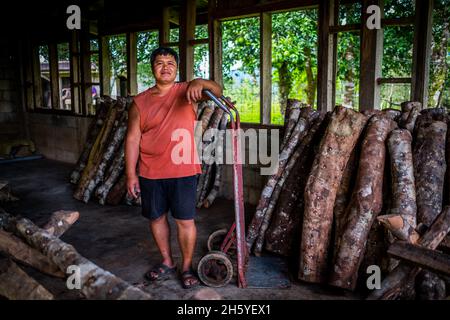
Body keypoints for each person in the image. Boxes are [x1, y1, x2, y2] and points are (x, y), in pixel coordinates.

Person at [125, 47, 222, 289]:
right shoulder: (139, 102)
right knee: (156, 218)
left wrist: (200, 81)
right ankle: (167, 261)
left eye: (170, 62)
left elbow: (218, 90)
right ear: (153, 68)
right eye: (160, 62)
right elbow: (132, 139)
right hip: (150, 171)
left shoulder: (187, 91)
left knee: (184, 220)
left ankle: (186, 266)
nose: (165, 66)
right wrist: (130, 175)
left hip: (183, 170)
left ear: (176, 68)